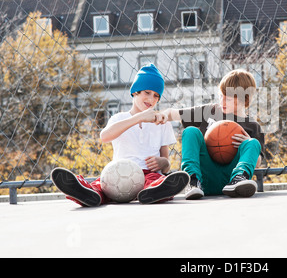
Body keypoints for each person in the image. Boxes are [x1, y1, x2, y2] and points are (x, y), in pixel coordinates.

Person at [51, 64, 189, 207]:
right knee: (102, 184)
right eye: (147, 92)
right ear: (135, 92)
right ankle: (86, 193)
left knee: (156, 181)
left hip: (148, 174)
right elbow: (104, 137)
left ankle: (155, 192)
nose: (151, 99)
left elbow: (165, 164)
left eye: (156, 96)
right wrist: (139, 118)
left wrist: (163, 163)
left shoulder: (161, 122)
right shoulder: (119, 118)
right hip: (119, 172)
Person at [158, 69, 264, 199]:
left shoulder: (253, 126)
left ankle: (239, 178)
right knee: (191, 131)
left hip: (231, 180)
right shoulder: (209, 111)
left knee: (253, 143)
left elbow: (258, 162)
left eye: (228, 99)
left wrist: (247, 144)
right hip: (205, 178)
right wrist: (161, 115)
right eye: (220, 96)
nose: (222, 102)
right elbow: (172, 114)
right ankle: (192, 180)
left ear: (244, 99)